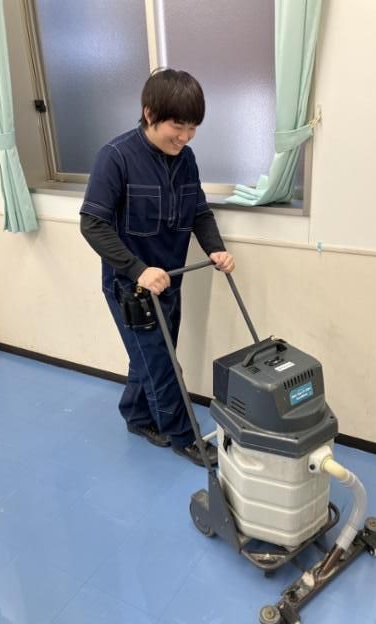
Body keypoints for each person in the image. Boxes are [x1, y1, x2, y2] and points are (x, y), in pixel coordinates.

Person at [80, 68, 234, 466]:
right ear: (149, 114)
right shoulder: (116, 157)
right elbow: (92, 224)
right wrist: (137, 269)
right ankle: (184, 436)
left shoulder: (186, 159)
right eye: (177, 126)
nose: (185, 137)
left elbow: (199, 211)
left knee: (149, 357)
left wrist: (216, 249)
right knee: (162, 363)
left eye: (192, 128)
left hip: (170, 282)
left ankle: (135, 414)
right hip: (131, 287)